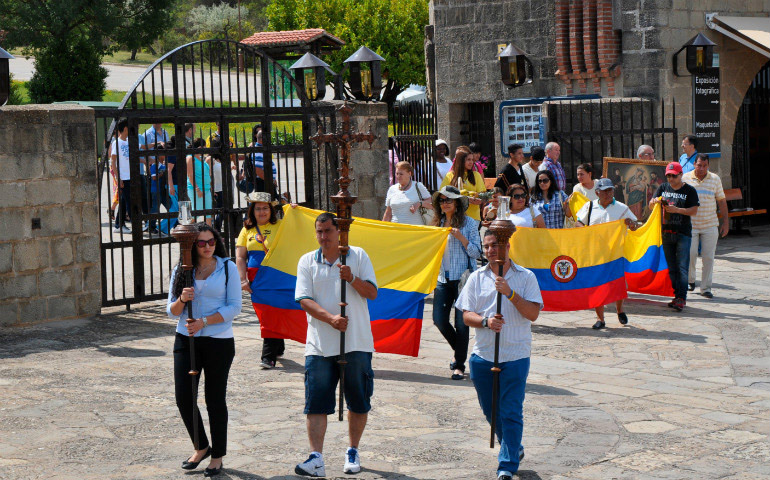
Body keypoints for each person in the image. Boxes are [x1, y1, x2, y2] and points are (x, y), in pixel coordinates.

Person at [294, 213, 378, 477]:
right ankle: (316, 458)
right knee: (315, 402)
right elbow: (304, 299)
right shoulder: (307, 261)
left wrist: (351, 278)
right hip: (319, 344)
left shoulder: (358, 255)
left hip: (356, 342)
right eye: (319, 231)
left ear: (339, 231)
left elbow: (373, 293)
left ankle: (353, 449)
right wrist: (330, 319)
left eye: (328, 231)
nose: (323, 237)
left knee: (358, 400)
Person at [455, 229, 543, 480]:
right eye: (487, 246)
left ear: (507, 245)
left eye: (495, 245)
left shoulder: (526, 277)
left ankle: (507, 464)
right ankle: (514, 446)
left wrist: (510, 294)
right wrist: (485, 322)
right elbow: (466, 315)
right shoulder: (476, 278)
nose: (491, 250)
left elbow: (533, 314)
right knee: (490, 411)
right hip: (483, 355)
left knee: (511, 410)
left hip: (515, 354)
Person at [166, 223, 241, 478]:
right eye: (201, 243)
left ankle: (217, 455)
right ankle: (201, 445)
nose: (207, 246)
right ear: (192, 245)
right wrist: (182, 300)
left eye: (211, 241)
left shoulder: (227, 267)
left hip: (218, 340)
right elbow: (171, 311)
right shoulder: (182, 270)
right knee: (184, 397)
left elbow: (234, 307)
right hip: (186, 339)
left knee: (214, 398)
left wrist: (204, 322)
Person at [430, 186, 482, 380]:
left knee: (462, 324)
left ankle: (459, 365)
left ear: (457, 203)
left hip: (463, 280)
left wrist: (461, 238)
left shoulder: (470, 224)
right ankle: (460, 350)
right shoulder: (436, 225)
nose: (445, 203)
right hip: (442, 278)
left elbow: (477, 253)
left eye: (449, 200)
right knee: (439, 320)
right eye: (442, 200)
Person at [576, 178, 638, 329]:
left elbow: (635, 225)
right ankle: (600, 318)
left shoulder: (621, 208)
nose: (608, 193)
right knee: (598, 284)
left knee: (617, 283)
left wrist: (631, 224)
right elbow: (578, 222)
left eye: (610, 190)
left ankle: (620, 310)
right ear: (597, 192)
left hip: (615, 253)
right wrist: (584, 230)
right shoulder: (589, 206)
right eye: (605, 191)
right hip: (595, 253)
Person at [235, 192, 285, 369]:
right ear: (252, 211)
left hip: (276, 278)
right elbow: (240, 257)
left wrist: (292, 208)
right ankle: (277, 343)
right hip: (257, 282)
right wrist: (242, 279)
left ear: (271, 210)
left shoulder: (282, 225)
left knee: (269, 314)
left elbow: (300, 232)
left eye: (265, 208)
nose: (262, 212)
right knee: (266, 314)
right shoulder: (246, 229)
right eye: (258, 209)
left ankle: (268, 356)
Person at [649, 162, 699, 312]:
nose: (671, 179)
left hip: (683, 233)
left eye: (674, 176)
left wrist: (677, 210)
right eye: (668, 176)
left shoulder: (689, 190)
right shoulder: (663, 188)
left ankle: (682, 298)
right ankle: (677, 295)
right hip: (666, 233)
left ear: (680, 174)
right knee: (672, 268)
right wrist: (653, 202)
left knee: (682, 267)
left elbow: (694, 210)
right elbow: (652, 205)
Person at [683, 153, 729, 298]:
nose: (701, 168)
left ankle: (706, 288)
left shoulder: (715, 179)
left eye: (704, 165)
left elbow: (721, 201)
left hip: (710, 224)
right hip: (691, 224)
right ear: (694, 164)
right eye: (699, 165)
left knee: (708, 257)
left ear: (708, 165)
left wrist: (726, 223)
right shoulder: (685, 179)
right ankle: (690, 280)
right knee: (690, 254)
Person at [440, 146, 486, 222]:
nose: (471, 162)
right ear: (460, 161)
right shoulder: (450, 175)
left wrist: (478, 199)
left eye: (472, 160)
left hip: (473, 217)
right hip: (455, 216)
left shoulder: (476, 175)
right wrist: (465, 199)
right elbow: (443, 193)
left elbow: (482, 194)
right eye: (468, 160)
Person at [110, 119, 132, 234]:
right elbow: (113, 161)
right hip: (123, 176)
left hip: (129, 176)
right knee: (128, 201)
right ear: (125, 128)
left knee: (123, 201)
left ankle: (119, 225)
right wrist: (118, 178)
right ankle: (129, 222)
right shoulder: (116, 143)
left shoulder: (128, 142)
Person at [187, 138, 213, 225]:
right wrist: (197, 189)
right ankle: (186, 230)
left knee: (208, 213)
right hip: (196, 189)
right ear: (199, 147)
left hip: (206, 189)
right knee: (196, 213)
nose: (205, 149)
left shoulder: (201, 158)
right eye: (204, 147)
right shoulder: (190, 157)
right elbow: (190, 175)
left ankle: (210, 235)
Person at [159, 138, 179, 236]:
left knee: (177, 208)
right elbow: (168, 171)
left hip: (177, 185)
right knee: (175, 209)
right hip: (173, 185)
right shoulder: (172, 154)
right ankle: (162, 228)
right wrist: (171, 186)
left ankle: (165, 228)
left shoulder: (176, 153)